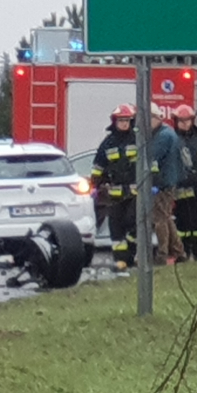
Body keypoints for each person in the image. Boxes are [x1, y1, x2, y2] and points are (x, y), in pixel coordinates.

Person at [91, 103, 138, 271]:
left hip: (135, 194)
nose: (124, 124)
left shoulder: (138, 140)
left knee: (134, 224)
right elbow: (98, 166)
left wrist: (152, 183)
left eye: (127, 120)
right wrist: (96, 183)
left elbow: (149, 164)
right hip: (115, 194)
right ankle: (120, 260)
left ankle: (132, 255)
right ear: (115, 122)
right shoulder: (108, 143)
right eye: (121, 120)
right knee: (116, 228)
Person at [173, 104, 197, 257]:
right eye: (181, 121)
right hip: (182, 190)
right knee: (183, 222)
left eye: (187, 120)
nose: (185, 124)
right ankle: (183, 251)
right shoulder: (174, 140)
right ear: (176, 121)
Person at [149, 102, 187, 265]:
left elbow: (152, 157)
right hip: (166, 182)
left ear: (156, 118)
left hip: (162, 184)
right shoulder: (167, 133)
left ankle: (162, 254)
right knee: (166, 217)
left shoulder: (163, 136)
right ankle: (179, 251)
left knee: (159, 220)